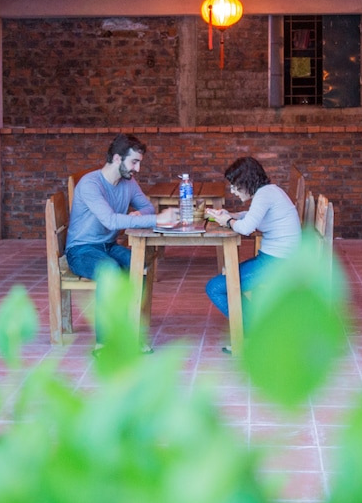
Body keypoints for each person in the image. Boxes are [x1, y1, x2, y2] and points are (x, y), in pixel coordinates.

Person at [65, 133, 178, 354]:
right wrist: (157, 220)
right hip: (81, 250)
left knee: (140, 266)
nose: (138, 169)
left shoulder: (128, 183)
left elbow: (147, 207)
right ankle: (103, 343)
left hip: (108, 245)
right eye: (134, 162)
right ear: (117, 158)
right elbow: (110, 220)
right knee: (110, 271)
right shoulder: (90, 184)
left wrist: (140, 214)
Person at [204, 157, 301, 353]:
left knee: (215, 287)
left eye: (235, 186)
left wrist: (227, 221)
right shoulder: (269, 192)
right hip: (278, 258)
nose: (233, 191)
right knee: (226, 280)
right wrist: (230, 215)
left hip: (277, 263)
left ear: (247, 181)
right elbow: (251, 216)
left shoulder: (265, 195)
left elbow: (246, 228)